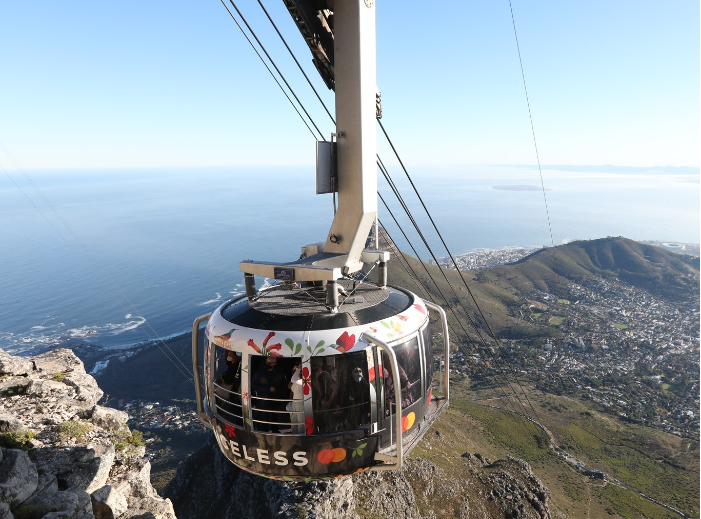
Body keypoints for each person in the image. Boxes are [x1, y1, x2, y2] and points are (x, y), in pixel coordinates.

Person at [251, 356, 288, 432]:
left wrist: (283, 398)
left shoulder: (279, 371)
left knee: (275, 417)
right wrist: (268, 389)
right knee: (264, 418)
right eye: (269, 363)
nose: (270, 365)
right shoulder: (259, 373)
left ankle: (275, 430)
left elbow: (284, 385)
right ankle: (264, 432)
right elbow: (254, 386)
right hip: (263, 400)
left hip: (275, 399)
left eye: (273, 363)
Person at [311, 361, 339, 433]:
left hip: (325, 408)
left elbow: (335, 389)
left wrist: (329, 401)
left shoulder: (326, 376)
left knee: (327, 427)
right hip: (316, 408)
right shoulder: (313, 378)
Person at [286, 361, 305, 434]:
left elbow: (293, 380)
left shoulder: (304, 380)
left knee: (301, 425)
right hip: (294, 403)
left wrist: (298, 369)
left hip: (300, 403)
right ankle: (294, 438)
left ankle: (301, 440)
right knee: (294, 424)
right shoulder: (296, 379)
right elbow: (290, 385)